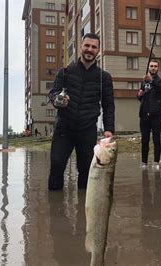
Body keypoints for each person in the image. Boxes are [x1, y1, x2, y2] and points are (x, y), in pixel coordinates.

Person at [47, 33, 115, 190]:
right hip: (64, 129)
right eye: (87, 46)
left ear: (98, 50)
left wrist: (109, 129)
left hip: (87, 131)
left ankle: (83, 211)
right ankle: (54, 209)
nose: (90, 49)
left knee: (86, 172)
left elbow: (108, 105)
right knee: (57, 166)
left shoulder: (104, 78)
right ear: (80, 47)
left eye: (94, 47)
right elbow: (52, 94)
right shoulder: (64, 72)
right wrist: (58, 99)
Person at [137, 60, 161, 171]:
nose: (153, 68)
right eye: (151, 66)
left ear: (158, 68)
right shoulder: (144, 81)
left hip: (156, 114)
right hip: (144, 114)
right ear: (148, 67)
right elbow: (142, 96)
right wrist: (139, 95)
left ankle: (156, 162)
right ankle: (144, 162)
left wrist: (152, 81)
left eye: (155, 66)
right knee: (144, 140)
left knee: (156, 139)